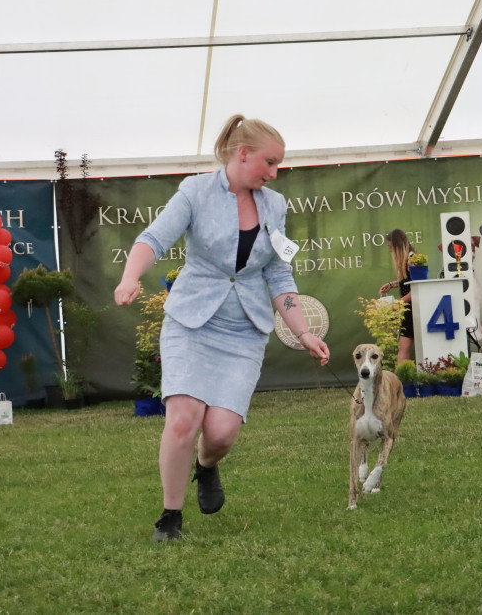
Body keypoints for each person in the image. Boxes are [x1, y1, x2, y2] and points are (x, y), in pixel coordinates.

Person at [114, 114, 330, 542]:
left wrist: (302, 331)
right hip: (191, 321)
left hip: (243, 330)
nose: (273, 173)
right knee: (183, 419)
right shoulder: (195, 191)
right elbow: (153, 239)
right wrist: (129, 277)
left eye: (278, 166)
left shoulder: (275, 206)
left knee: (220, 434)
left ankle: (207, 465)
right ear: (242, 153)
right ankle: (170, 517)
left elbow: (279, 275)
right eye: (269, 163)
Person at [378, 229, 416, 366]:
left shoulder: (413, 260)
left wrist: (398, 303)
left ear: (397, 245)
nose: (390, 251)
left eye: (391, 247)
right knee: (403, 347)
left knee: (404, 347)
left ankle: (403, 379)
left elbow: (417, 290)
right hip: (409, 310)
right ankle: (403, 378)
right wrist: (392, 284)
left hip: (415, 310)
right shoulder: (407, 259)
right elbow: (407, 282)